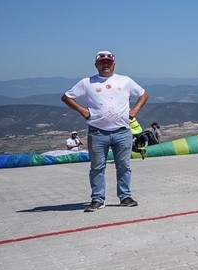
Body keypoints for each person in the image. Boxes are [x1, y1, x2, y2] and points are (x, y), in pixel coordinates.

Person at [62, 50, 149, 211]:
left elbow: (143, 94)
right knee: (97, 167)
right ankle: (97, 199)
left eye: (109, 62)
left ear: (114, 64)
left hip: (122, 131)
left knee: (124, 166)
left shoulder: (125, 81)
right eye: (102, 62)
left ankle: (125, 197)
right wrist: (83, 111)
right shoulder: (87, 82)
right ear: (96, 65)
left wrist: (135, 110)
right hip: (97, 132)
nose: (106, 64)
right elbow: (67, 96)